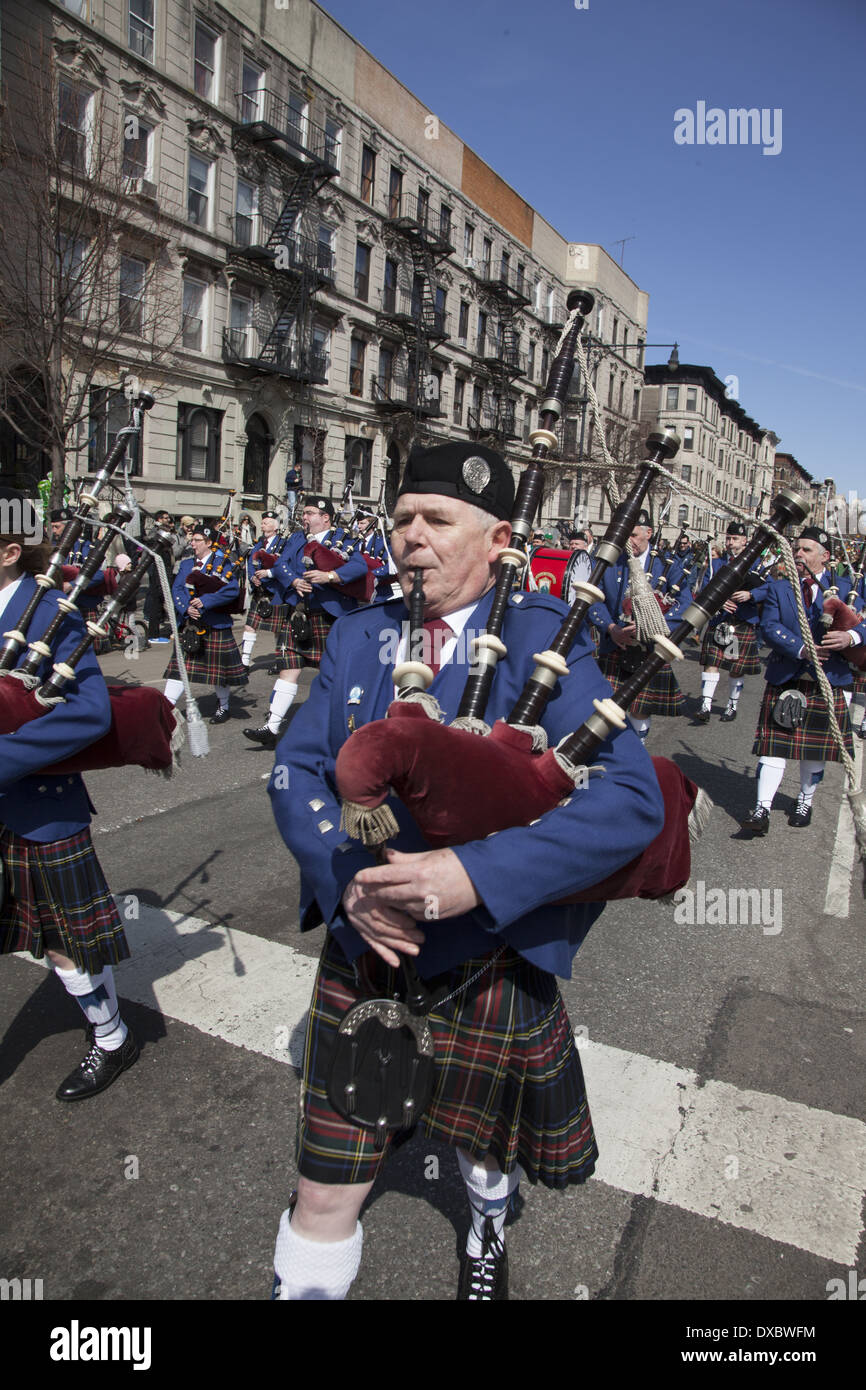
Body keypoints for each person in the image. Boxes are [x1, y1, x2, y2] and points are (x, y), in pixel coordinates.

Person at [266, 443, 664, 1301]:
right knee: (323, 1183)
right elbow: (296, 770)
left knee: (482, 1146)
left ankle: (486, 1219)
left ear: (498, 540)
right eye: (402, 518)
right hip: (365, 947)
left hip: (488, 947)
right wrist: (345, 886)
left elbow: (631, 800)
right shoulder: (359, 632)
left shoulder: (545, 636)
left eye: (436, 520)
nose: (412, 537)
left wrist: (472, 873)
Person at [0, 489, 138, 1100]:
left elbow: (89, 713)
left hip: (34, 804)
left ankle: (111, 1036)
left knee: (61, 939)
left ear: (9, 551)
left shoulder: (51, 609)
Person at [742, 526, 865, 833]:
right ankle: (761, 809)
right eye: (796, 549)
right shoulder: (778, 587)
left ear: (825, 557)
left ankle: (805, 800)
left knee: (815, 752)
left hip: (830, 677)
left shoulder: (850, 588)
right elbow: (769, 627)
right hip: (788, 674)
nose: (798, 554)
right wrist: (802, 649)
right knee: (773, 749)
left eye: (806, 550)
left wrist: (850, 636)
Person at [243, 497, 368, 750]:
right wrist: (293, 582)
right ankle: (272, 726)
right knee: (288, 667)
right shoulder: (298, 538)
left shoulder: (346, 538)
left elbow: (359, 566)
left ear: (326, 517)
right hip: (300, 612)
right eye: (304, 513)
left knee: (333, 675)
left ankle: (341, 729)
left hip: (331, 615)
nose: (304, 517)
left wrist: (330, 575)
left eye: (310, 513)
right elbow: (280, 565)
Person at [586, 510, 691, 744]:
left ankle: (638, 749)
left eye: (633, 535)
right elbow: (594, 599)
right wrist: (611, 627)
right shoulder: (611, 561)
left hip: (650, 648)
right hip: (614, 644)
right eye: (625, 535)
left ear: (649, 533)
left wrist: (655, 626)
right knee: (607, 706)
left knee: (640, 709)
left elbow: (685, 603)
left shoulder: (668, 564)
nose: (628, 541)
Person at [162, 523, 247, 725]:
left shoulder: (223, 563)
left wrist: (205, 602)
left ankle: (223, 706)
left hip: (215, 623)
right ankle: (166, 708)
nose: (193, 544)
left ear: (209, 543)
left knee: (220, 672)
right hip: (191, 624)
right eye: (192, 540)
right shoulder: (185, 565)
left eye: (197, 540)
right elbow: (177, 590)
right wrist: (185, 608)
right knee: (179, 668)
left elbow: (231, 591)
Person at [694, 521, 768, 723]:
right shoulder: (717, 564)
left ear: (745, 541)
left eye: (735, 539)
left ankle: (732, 705)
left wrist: (750, 594)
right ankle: (705, 705)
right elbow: (703, 589)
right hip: (720, 619)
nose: (730, 542)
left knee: (736, 668)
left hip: (743, 620)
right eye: (728, 538)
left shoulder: (756, 564)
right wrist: (720, 601)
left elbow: (769, 589)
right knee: (712, 662)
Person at [240, 511, 290, 668]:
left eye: (267, 523)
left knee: (278, 629)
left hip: (275, 592)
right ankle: (245, 661)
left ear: (275, 527)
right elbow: (250, 563)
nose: (263, 525)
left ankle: (279, 661)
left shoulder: (283, 544)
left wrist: (268, 574)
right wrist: (252, 578)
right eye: (262, 523)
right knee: (250, 626)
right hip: (260, 591)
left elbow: (285, 565)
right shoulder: (258, 544)